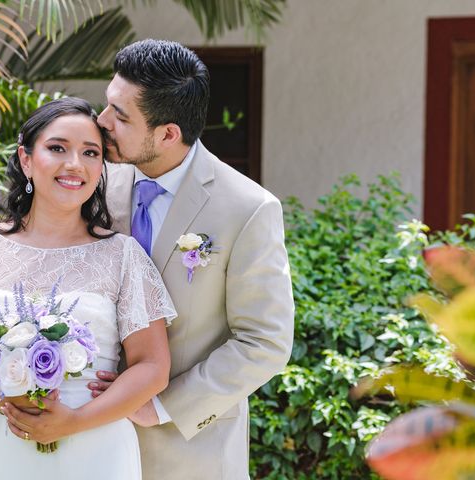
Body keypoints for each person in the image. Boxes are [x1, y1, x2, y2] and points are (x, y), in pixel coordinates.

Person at [0, 97, 176, 480]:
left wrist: (74, 421)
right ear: (26, 159)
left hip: (93, 449)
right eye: (57, 148)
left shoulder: (122, 255)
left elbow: (152, 365)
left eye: (90, 153)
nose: (74, 164)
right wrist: (4, 399)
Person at [92, 39, 295, 479]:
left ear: (167, 134)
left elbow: (266, 342)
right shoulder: (95, 180)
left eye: (120, 115)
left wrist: (161, 406)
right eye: (107, 104)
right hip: (89, 442)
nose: (101, 121)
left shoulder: (249, 208)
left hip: (189, 456)